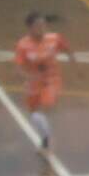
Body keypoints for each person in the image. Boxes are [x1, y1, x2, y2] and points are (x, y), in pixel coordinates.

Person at [14, 12, 76, 152]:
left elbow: (66, 48)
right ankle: (45, 136)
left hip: (52, 80)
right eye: (38, 25)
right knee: (34, 115)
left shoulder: (54, 38)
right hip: (34, 83)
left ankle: (47, 140)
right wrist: (26, 77)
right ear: (30, 28)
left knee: (42, 109)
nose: (42, 28)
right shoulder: (23, 45)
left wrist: (72, 60)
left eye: (43, 24)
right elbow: (17, 68)